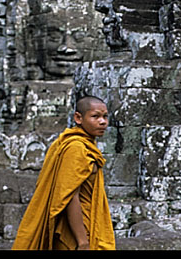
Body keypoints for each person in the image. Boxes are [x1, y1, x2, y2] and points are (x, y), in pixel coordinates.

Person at [12, 96, 116, 250]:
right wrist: (82, 241)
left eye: (105, 116)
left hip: (87, 223)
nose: (102, 122)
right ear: (78, 118)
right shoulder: (76, 148)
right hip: (77, 232)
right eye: (95, 116)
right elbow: (69, 196)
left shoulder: (85, 144)